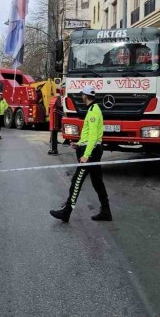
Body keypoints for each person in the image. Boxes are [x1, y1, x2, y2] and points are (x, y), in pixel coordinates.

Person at [50, 85, 111, 222]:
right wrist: (79, 143)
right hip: (91, 149)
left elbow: (94, 136)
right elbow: (89, 134)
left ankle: (66, 213)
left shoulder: (94, 111)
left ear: (85, 96)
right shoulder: (92, 109)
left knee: (76, 181)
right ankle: (106, 211)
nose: (81, 97)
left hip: (91, 152)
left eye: (82, 95)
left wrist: (86, 155)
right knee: (97, 182)